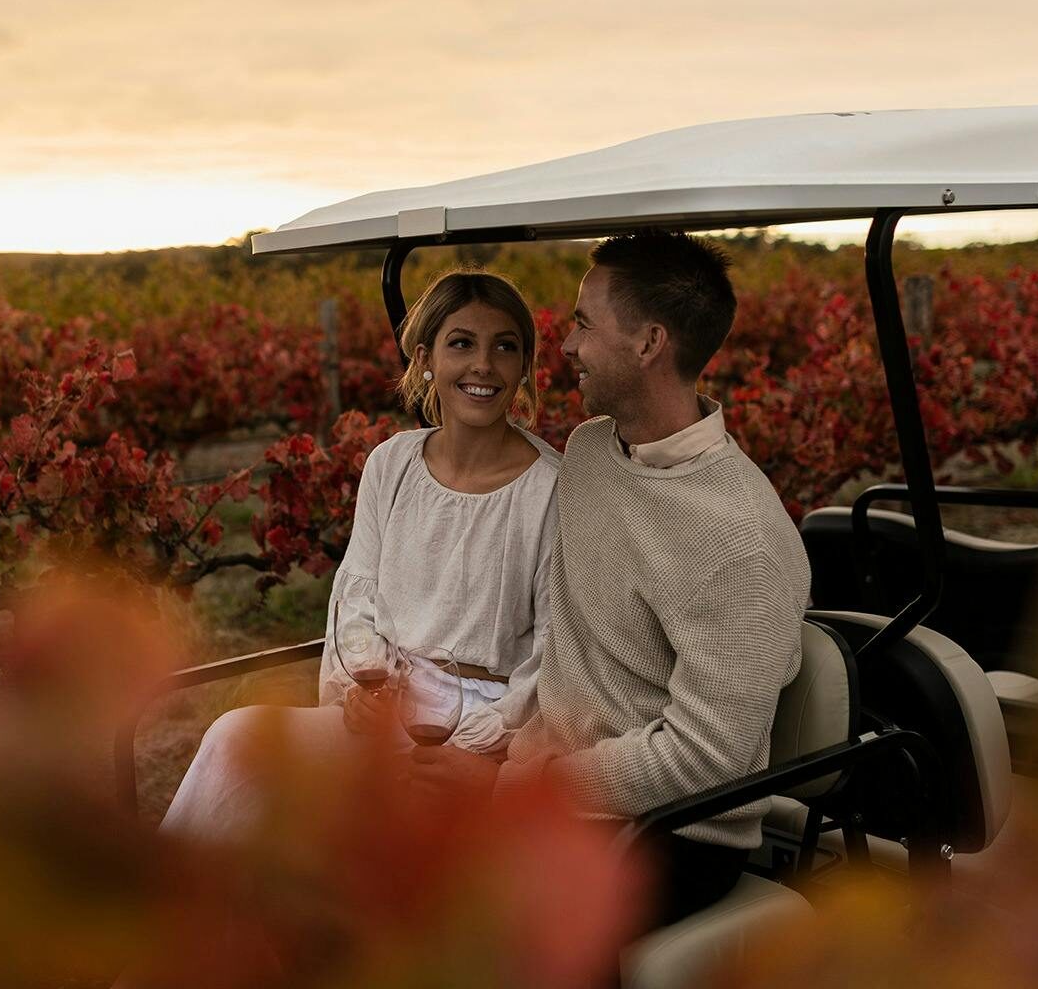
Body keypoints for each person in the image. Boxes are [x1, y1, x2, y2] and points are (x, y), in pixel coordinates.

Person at [411, 230, 812, 932]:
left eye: (582, 324)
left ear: (649, 343)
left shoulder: (741, 540)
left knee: (465, 923)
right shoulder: (592, 452)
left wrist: (520, 789)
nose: (563, 347)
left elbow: (705, 760)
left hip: (670, 832)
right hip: (554, 787)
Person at [158, 269, 560, 840]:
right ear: (426, 359)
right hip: (392, 704)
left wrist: (472, 744)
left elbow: (552, 655)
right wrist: (364, 694)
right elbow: (357, 597)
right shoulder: (391, 465)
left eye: (505, 347)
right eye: (462, 343)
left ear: (524, 366)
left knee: (360, 833)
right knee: (237, 739)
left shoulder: (551, 489)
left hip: (490, 725)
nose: (484, 366)